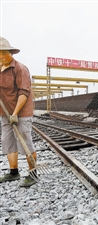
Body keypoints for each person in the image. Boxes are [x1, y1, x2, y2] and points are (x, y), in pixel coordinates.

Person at [0, 36, 37, 187]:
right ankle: (13, 172)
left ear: (10, 53)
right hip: (4, 112)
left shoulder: (20, 69)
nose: (1, 57)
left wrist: (15, 113)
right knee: (8, 142)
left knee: (25, 143)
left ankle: (33, 173)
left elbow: (24, 92)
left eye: (3, 54)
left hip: (21, 113)